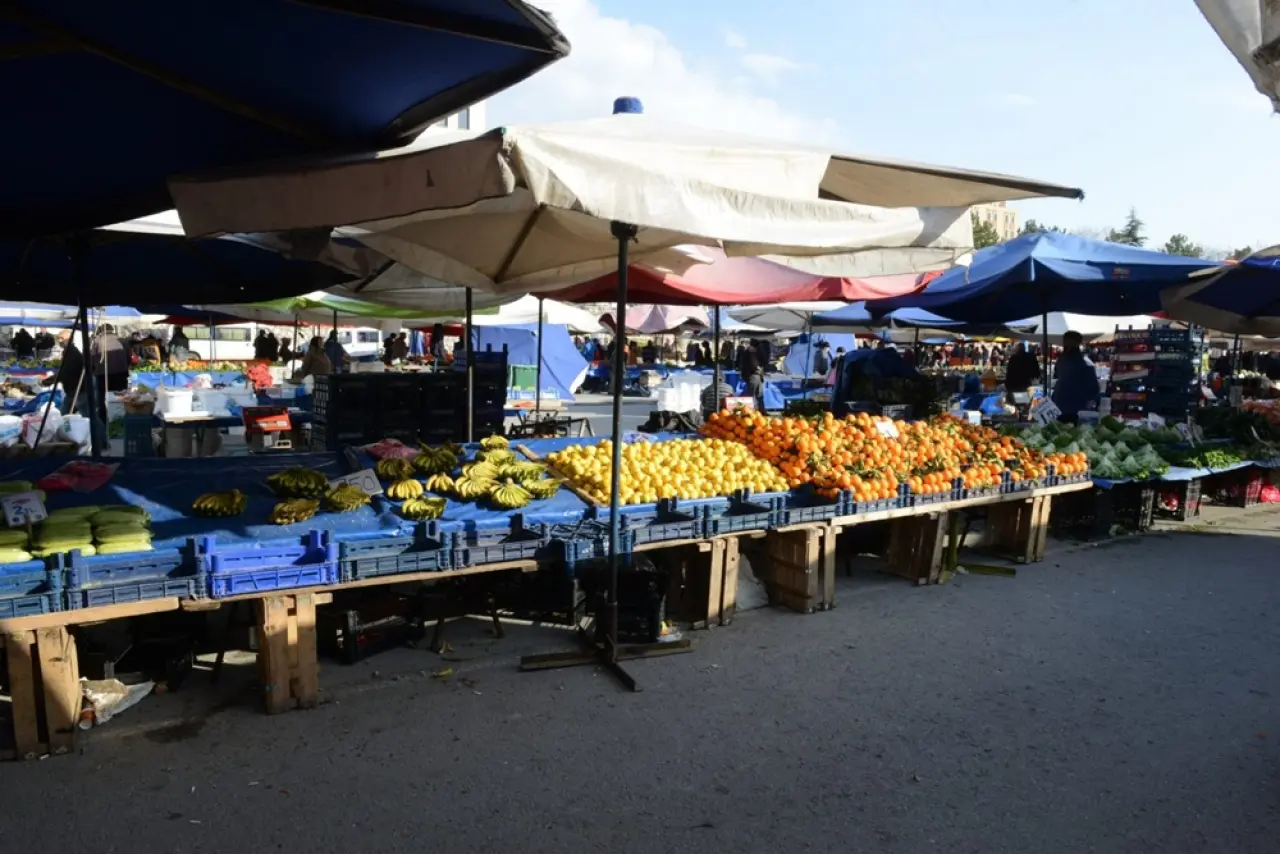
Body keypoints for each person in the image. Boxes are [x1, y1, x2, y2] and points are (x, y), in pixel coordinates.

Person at [1051, 330, 1101, 423]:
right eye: (1065, 341)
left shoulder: (1085, 363)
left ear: (1077, 343)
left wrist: (1093, 402)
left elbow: (1094, 388)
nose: (1065, 344)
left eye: (1068, 341)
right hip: (1059, 405)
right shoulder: (1062, 359)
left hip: (1075, 408)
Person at [43, 332, 84, 413]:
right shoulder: (69, 351)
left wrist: (49, 381)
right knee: (65, 413)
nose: (59, 341)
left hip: (77, 389)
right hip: (74, 389)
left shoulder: (71, 352)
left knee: (85, 413)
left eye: (61, 338)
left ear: (68, 339)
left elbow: (65, 372)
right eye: (58, 338)